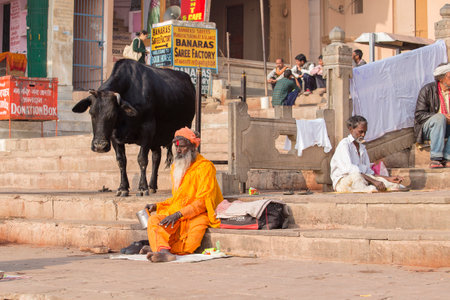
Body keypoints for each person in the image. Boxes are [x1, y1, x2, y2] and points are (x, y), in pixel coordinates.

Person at [143, 127, 223, 262]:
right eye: (176, 147)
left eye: (183, 147)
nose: (178, 150)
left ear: (193, 147)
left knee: (189, 246)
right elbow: (178, 198)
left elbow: (203, 201)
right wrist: (157, 206)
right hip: (179, 214)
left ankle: (158, 248)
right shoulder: (177, 167)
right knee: (154, 221)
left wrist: (179, 214)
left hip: (198, 214)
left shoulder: (205, 167)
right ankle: (163, 252)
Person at [330, 115, 404, 193]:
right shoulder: (344, 144)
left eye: (365, 132)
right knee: (358, 178)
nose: (363, 135)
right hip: (343, 181)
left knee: (392, 185)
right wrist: (373, 181)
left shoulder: (362, 147)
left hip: (363, 178)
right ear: (351, 129)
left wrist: (388, 178)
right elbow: (351, 170)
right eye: (361, 132)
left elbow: (368, 172)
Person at [414, 63, 450, 168]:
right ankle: (436, 158)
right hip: (429, 128)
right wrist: (442, 116)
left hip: (447, 128)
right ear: (442, 78)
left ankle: (448, 158)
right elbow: (419, 115)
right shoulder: (428, 89)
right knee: (440, 118)